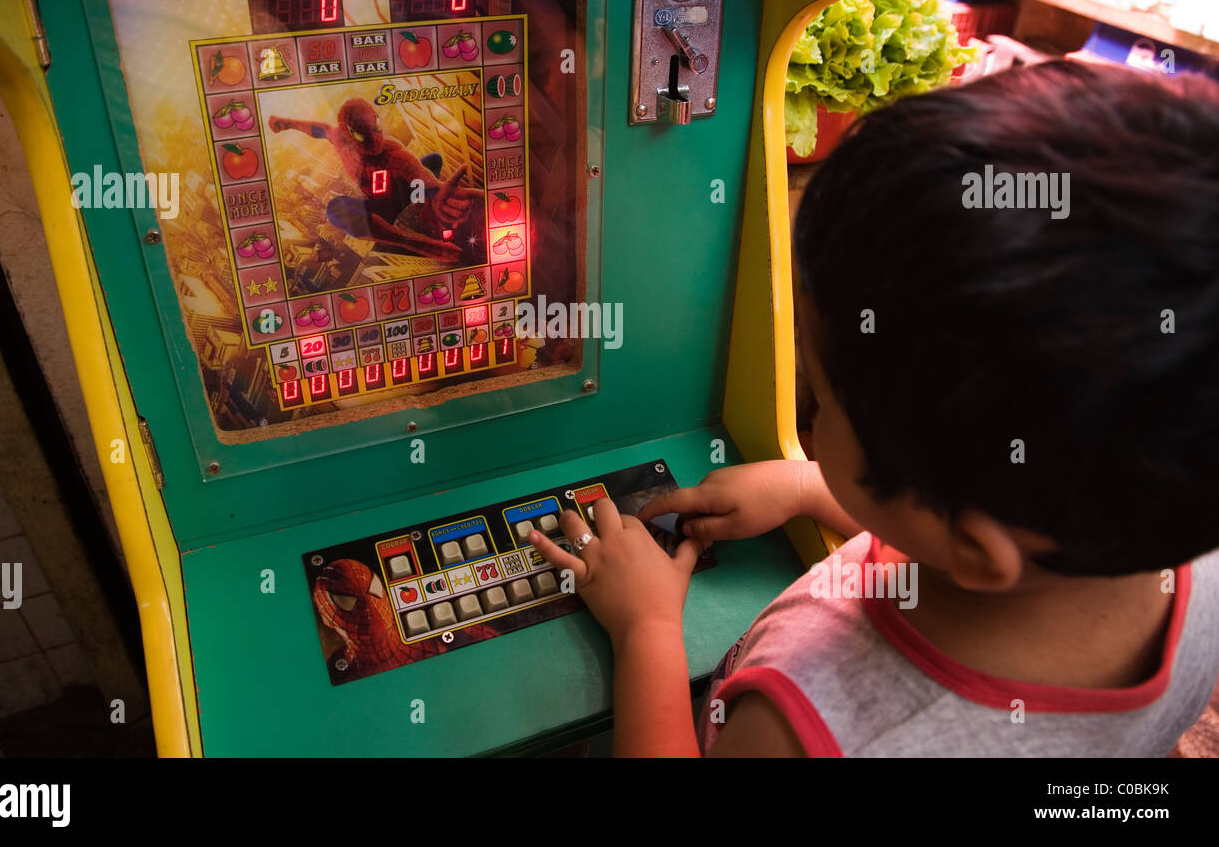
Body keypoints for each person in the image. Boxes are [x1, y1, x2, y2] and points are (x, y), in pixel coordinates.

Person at [528, 60, 1219, 756]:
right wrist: (807, 488)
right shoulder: (1179, 541)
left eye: (822, 404)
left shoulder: (801, 730)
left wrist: (646, 632)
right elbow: (955, 536)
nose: (812, 435)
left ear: (978, 548)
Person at [269, 97, 482, 262]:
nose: (374, 140)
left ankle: (430, 214)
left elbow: (419, 173)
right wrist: (288, 123)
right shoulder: (340, 140)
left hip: (403, 192)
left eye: (376, 128)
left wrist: (437, 191)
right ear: (349, 134)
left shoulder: (393, 151)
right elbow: (319, 130)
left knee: (432, 160)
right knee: (336, 209)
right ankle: (412, 241)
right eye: (363, 135)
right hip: (381, 208)